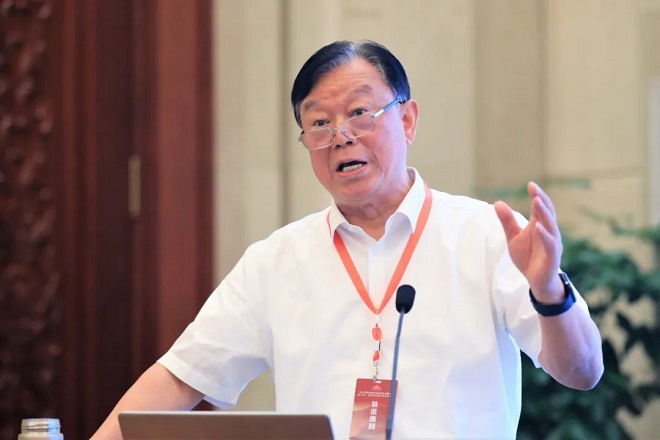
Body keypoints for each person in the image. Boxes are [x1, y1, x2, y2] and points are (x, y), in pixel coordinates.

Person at [91, 40, 603, 439]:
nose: (340, 136)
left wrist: (549, 293)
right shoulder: (277, 260)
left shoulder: (484, 233)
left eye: (360, 113)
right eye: (319, 123)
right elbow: (181, 377)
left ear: (408, 119)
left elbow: (582, 372)